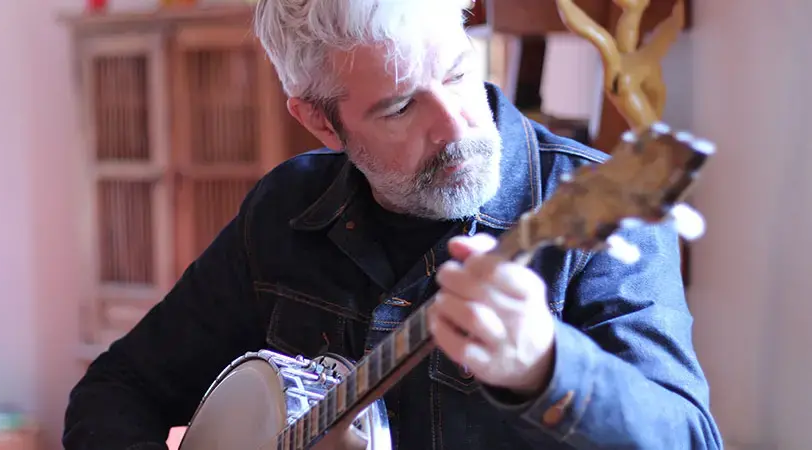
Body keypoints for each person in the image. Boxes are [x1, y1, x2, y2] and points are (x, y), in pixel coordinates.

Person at [62, 0, 723, 448]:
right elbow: (117, 390)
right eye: (402, 105)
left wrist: (548, 365)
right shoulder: (283, 215)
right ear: (320, 120)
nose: (454, 123)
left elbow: (691, 435)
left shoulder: (591, 214)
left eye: (458, 72)